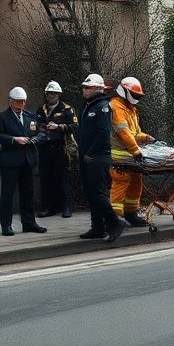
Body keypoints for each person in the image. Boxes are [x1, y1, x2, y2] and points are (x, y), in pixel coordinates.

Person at [75, 73, 124, 243]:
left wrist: (91, 152)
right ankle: (97, 227)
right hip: (86, 157)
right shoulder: (88, 106)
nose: (84, 90)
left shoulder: (102, 107)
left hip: (97, 157)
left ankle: (115, 224)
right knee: (90, 193)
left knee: (98, 193)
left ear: (97, 89)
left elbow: (103, 133)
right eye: (84, 87)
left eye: (87, 87)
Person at [0, 87, 47, 236]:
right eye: (18, 101)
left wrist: (35, 139)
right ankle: (6, 225)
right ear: (11, 102)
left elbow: (42, 132)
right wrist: (14, 139)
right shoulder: (3, 117)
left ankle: (29, 222)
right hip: (10, 160)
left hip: (28, 159)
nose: (21, 104)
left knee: (28, 192)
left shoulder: (30, 115)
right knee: (8, 194)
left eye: (23, 101)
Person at [109, 76, 155, 228]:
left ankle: (131, 213)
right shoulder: (115, 107)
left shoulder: (131, 109)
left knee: (136, 183)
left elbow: (134, 133)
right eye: (134, 94)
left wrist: (145, 137)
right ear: (124, 91)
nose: (136, 98)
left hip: (132, 156)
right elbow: (123, 133)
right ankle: (114, 217)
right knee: (121, 183)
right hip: (120, 156)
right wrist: (136, 150)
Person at [35, 81, 78, 218]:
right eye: (48, 94)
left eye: (54, 94)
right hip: (44, 147)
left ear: (59, 95)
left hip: (61, 147)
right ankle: (48, 207)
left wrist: (59, 127)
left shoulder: (67, 109)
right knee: (46, 178)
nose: (51, 97)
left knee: (63, 178)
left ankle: (66, 207)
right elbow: (36, 124)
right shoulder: (41, 109)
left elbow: (75, 127)